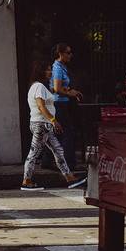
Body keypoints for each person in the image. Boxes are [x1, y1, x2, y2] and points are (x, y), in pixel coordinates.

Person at [21, 60, 86, 191]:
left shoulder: (40, 87)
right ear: (41, 72)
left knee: (58, 151)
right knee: (34, 153)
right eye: (48, 69)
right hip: (41, 125)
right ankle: (26, 181)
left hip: (44, 125)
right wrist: (53, 120)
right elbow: (41, 106)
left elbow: (55, 90)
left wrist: (69, 91)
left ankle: (70, 178)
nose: (50, 72)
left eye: (50, 69)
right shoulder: (38, 86)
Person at [51, 42, 83, 171]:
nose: (70, 55)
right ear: (61, 54)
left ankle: (49, 160)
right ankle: (69, 163)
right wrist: (70, 93)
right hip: (60, 103)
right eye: (68, 53)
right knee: (68, 132)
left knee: (58, 132)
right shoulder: (58, 68)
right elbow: (57, 88)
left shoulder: (62, 67)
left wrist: (71, 91)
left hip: (63, 102)